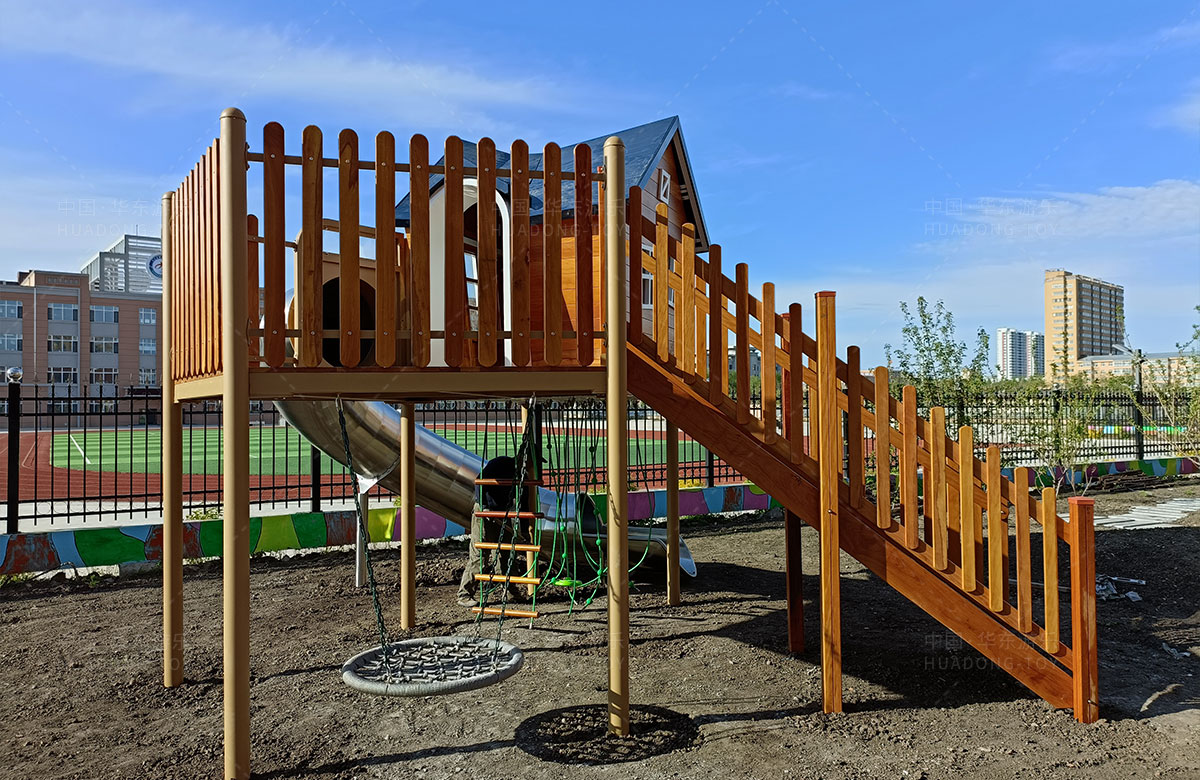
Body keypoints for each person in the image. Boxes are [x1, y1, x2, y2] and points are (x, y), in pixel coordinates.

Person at [457, 456, 527, 607]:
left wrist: (526, 531)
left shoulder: (524, 476)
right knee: (480, 552)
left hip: (503, 511)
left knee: (506, 552)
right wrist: (484, 507)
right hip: (485, 510)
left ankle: (510, 591)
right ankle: (464, 594)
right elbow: (479, 481)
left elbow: (525, 504)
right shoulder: (502, 464)